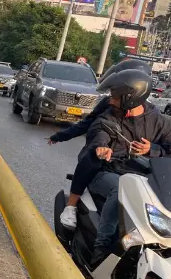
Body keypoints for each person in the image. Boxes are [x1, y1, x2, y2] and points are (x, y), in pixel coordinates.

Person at [85, 69, 171, 267]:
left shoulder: (158, 121)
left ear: (130, 98)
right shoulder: (110, 117)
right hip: (109, 173)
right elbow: (101, 134)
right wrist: (101, 148)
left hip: (143, 178)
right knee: (120, 188)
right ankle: (102, 245)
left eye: (115, 97)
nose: (111, 101)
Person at [50, 60, 153, 228]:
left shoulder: (151, 114)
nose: (113, 98)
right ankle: (71, 206)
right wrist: (61, 136)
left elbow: (170, 144)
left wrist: (150, 148)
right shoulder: (109, 103)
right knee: (91, 160)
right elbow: (88, 123)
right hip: (101, 150)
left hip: (129, 162)